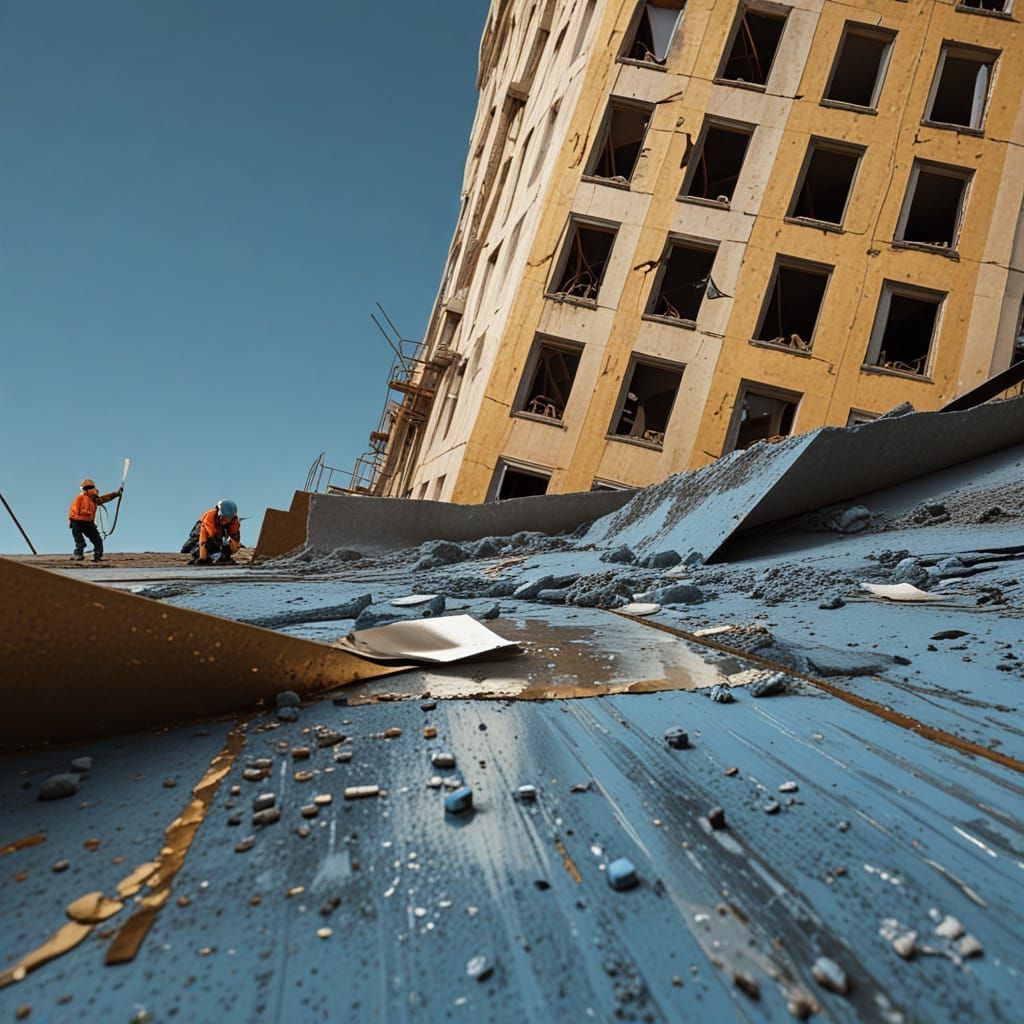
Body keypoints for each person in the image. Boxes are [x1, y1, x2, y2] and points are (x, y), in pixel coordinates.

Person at [68, 478, 122, 562]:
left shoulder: (93, 500)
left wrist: (116, 494)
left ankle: (97, 555)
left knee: (97, 540)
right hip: (78, 522)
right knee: (80, 541)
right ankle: (79, 554)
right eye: (88, 488)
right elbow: (74, 510)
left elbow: (105, 498)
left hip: (88, 523)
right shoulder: (80, 498)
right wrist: (74, 520)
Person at [188, 498, 241, 565]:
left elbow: (235, 543)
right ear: (219, 513)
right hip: (202, 536)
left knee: (222, 547)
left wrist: (227, 553)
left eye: (228, 519)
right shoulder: (209, 519)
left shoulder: (234, 523)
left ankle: (216, 554)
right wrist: (203, 559)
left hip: (217, 539)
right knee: (190, 549)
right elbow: (203, 540)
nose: (225, 522)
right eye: (223, 519)